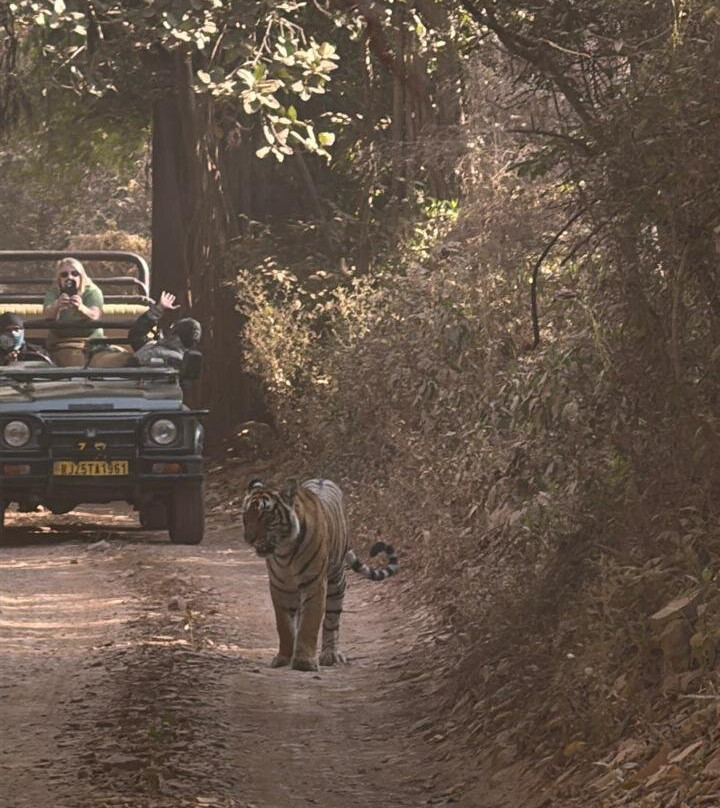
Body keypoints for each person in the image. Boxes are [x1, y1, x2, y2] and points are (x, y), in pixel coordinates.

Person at [42, 257, 104, 365]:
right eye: (64, 275)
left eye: (75, 273)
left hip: (92, 341)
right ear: (59, 279)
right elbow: (47, 315)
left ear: (82, 276)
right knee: (75, 360)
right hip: (62, 342)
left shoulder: (92, 291)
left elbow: (95, 315)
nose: (70, 277)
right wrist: (57, 305)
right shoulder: (54, 292)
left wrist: (81, 308)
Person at [129, 291, 202, 369]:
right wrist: (158, 310)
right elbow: (136, 336)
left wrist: (158, 310)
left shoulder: (174, 360)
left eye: (173, 327)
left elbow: (136, 362)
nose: (169, 329)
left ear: (176, 337)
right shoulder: (154, 345)